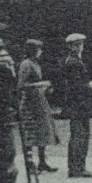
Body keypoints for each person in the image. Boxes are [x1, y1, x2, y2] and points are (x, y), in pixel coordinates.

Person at [59, 33, 92, 177]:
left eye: (81, 44)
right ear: (71, 46)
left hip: (77, 104)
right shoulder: (73, 62)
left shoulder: (74, 60)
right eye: (77, 45)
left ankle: (76, 167)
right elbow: (76, 85)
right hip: (79, 104)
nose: (80, 47)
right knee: (80, 136)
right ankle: (77, 168)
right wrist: (90, 86)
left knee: (79, 135)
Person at [18, 39, 59, 173]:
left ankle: (42, 162)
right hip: (29, 103)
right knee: (30, 133)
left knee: (43, 130)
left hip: (39, 100)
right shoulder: (26, 64)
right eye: (38, 49)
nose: (40, 51)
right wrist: (40, 85)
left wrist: (45, 88)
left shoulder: (35, 63)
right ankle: (30, 165)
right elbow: (22, 85)